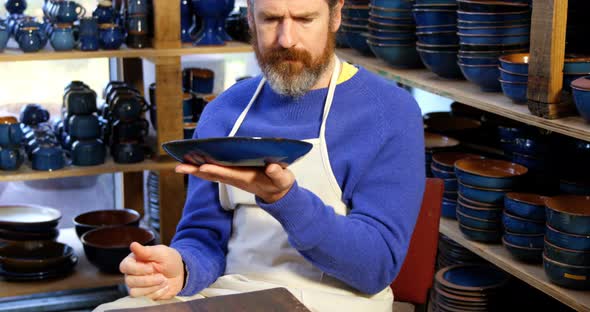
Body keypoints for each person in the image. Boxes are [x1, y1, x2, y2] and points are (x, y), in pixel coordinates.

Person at [95, 0, 425, 311]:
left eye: (304, 19)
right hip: (233, 296)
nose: (286, 39)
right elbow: (203, 237)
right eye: (270, 19)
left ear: (336, 14)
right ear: (250, 18)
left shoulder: (389, 112)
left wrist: (284, 199)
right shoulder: (223, 113)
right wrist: (182, 266)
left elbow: (375, 267)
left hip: (337, 300)